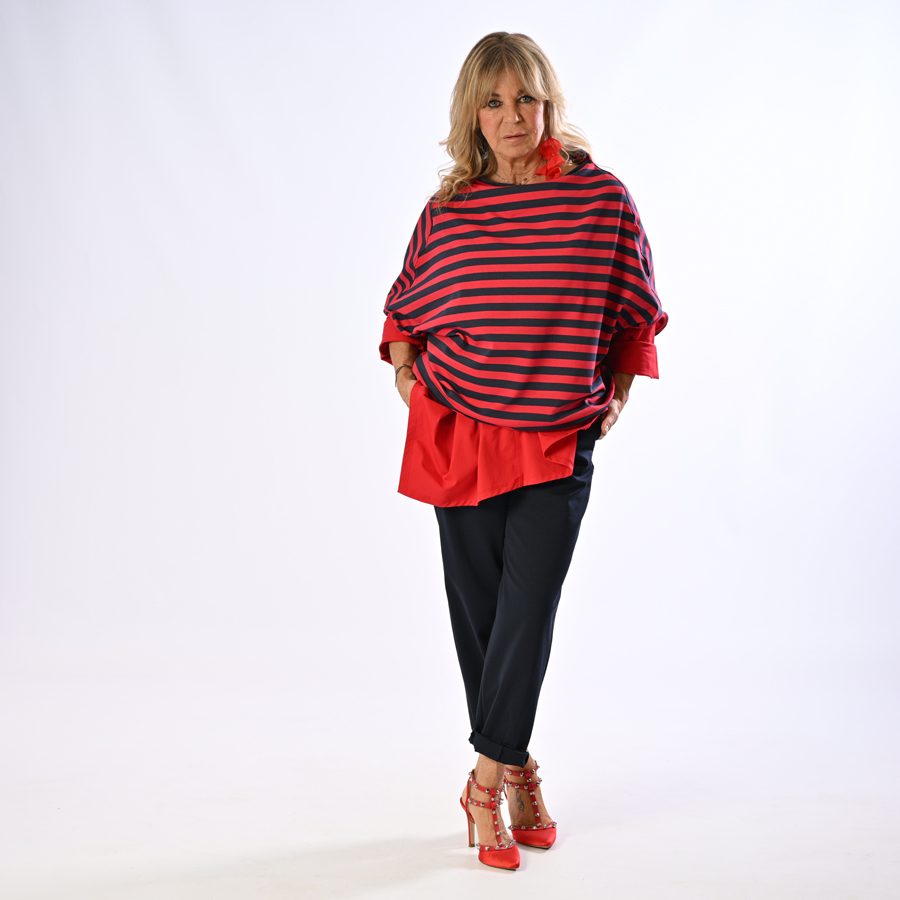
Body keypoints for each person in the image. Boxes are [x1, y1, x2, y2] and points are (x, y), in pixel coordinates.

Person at [379, 32, 667, 871]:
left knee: (528, 609)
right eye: (495, 102)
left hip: (555, 433)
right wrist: (407, 378)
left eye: (527, 98)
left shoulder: (599, 201)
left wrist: (618, 391)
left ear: (550, 103)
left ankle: (482, 784)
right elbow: (404, 308)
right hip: (457, 430)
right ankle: (519, 767)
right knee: (483, 618)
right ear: (473, 114)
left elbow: (635, 309)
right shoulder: (449, 213)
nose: (513, 116)